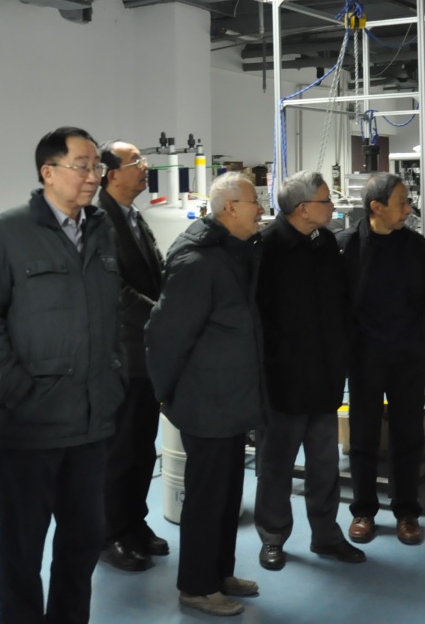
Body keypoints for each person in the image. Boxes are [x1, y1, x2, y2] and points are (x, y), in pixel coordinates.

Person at [0, 126, 125, 624]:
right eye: (82, 166)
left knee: (82, 545)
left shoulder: (102, 230)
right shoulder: (7, 232)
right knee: (23, 549)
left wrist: (115, 379)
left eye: (97, 167)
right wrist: (15, 386)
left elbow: (112, 313)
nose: (93, 176)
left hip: (91, 423)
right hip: (31, 423)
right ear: (48, 172)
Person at [145, 172, 266, 617]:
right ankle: (196, 586)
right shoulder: (198, 262)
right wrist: (168, 395)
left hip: (229, 397)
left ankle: (219, 573)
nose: (260, 209)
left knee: (228, 493)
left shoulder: (232, 253)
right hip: (206, 401)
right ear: (230, 208)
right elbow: (164, 335)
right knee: (206, 497)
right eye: (254, 201)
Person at [253, 171, 362, 570]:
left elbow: (339, 303)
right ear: (302, 208)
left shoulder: (325, 242)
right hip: (283, 380)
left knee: (324, 464)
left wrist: (341, 352)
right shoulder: (267, 247)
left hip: (325, 376)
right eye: (325, 200)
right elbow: (259, 316)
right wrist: (276, 361)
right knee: (276, 465)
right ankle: (273, 536)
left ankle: (326, 535)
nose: (332, 206)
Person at [338, 172, 425, 548]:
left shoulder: (414, 245)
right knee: (363, 436)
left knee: (408, 435)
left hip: (406, 356)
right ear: (376, 207)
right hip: (365, 357)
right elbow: (337, 304)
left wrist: (421, 339)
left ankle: (406, 511)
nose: (408, 209)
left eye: (408, 201)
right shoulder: (346, 246)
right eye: (401, 203)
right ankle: (363, 511)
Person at [95, 140, 169, 572]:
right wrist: (161, 315)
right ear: (111, 175)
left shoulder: (134, 216)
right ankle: (109, 534)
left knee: (142, 448)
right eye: (136, 162)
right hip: (120, 355)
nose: (145, 167)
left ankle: (134, 523)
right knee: (119, 450)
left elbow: (155, 272)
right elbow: (114, 291)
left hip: (144, 354)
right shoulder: (100, 221)